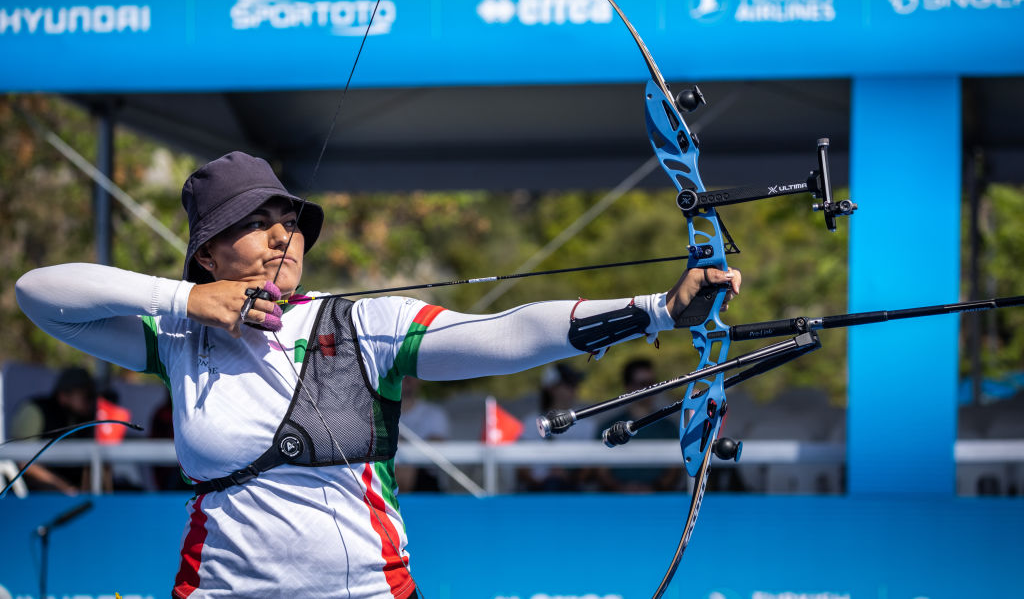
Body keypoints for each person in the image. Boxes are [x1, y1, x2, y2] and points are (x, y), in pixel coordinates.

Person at [15, 151, 740, 598]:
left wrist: (657, 309)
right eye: (253, 221)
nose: (281, 233)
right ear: (206, 254)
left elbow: (505, 332)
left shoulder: (362, 323)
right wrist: (185, 300)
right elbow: (38, 293)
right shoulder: (178, 333)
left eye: (287, 218)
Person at [593, 358, 683, 492]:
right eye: (643, 384)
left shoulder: (669, 427)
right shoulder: (608, 427)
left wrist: (652, 489)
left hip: (659, 502)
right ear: (628, 387)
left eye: (653, 384)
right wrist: (622, 489)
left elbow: (675, 470)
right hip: (615, 502)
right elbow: (600, 469)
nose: (650, 389)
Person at [10, 365, 97, 495]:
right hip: (35, 497)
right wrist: (63, 488)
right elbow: (23, 462)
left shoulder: (88, 419)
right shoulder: (35, 411)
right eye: (87, 396)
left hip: (73, 496)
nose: (93, 402)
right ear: (64, 395)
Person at [517, 363, 599, 492]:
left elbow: (589, 467)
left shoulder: (587, 424)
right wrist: (540, 482)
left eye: (574, 383)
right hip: (537, 492)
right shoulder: (531, 422)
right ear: (551, 388)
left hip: (573, 490)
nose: (573, 388)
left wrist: (570, 478)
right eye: (567, 383)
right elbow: (522, 468)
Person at [395, 375, 450, 492]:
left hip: (424, 481)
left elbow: (437, 445)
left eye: (412, 375)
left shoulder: (434, 413)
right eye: (402, 374)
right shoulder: (376, 414)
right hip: (387, 474)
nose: (407, 379)